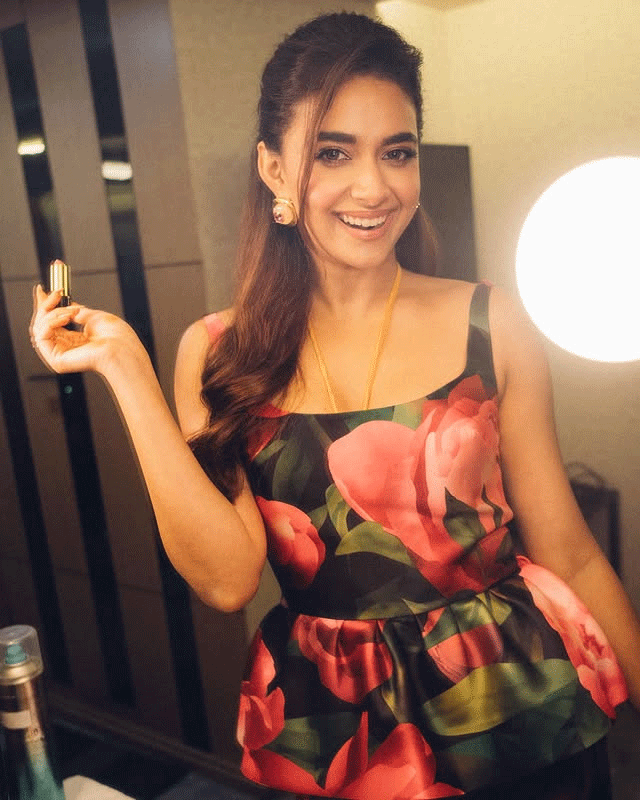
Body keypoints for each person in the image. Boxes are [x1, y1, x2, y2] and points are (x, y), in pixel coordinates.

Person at [30, 11, 640, 800]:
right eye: (332, 151)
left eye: (398, 152)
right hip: (341, 737)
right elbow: (227, 580)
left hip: (527, 716)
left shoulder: (492, 321)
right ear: (273, 169)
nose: (374, 186)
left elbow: (571, 552)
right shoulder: (218, 353)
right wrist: (125, 368)